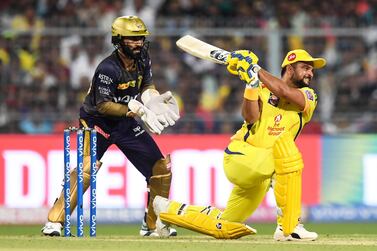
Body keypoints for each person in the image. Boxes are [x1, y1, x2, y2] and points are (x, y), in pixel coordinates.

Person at [152, 49, 326, 241]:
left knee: (227, 226)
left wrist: (255, 70)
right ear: (290, 68)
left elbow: (283, 92)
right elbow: (250, 117)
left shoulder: (309, 95)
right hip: (242, 156)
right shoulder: (262, 88)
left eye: (311, 70)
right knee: (288, 156)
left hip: (262, 171)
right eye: (305, 68)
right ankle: (289, 227)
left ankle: (168, 210)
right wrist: (251, 85)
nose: (310, 73)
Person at [41, 15, 180, 237]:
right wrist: (136, 110)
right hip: (98, 121)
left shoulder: (143, 57)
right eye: (132, 39)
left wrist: (152, 100)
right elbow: (103, 106)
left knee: (160, 171)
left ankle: (152, 225)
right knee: (87, 169)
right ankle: (54, 222)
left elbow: (147, 85)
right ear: (118, 40)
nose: (138, 43)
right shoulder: (107, 68)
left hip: (125, 122)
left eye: (141, 39)